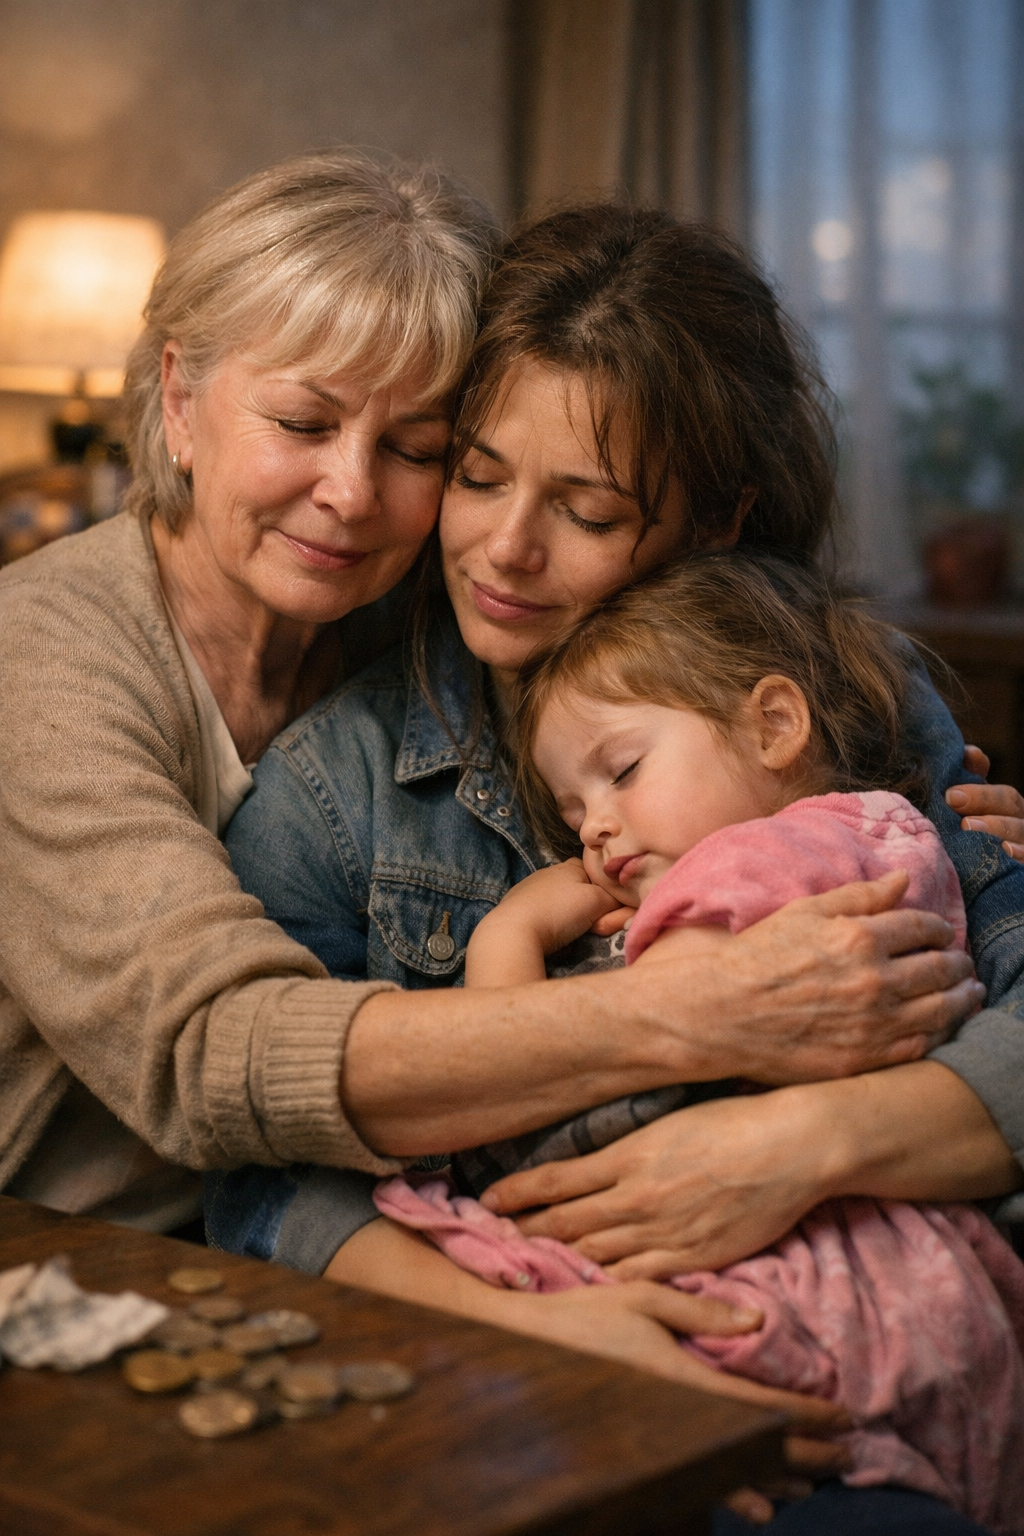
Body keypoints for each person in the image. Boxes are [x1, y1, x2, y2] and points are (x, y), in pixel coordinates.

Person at [0, 160, 972, 1407]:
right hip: (64, 1273)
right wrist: (695, 1011)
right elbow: (220, 1061)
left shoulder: (427, 607)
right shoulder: (62, 663)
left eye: (416, 449)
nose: (353, 495)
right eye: (301, 425)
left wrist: (803, 1136)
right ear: (177, 398)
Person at [217, 207, 1024, 1511]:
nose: (505, 549)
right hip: (522, 1351)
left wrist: (810, 1143)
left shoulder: (853, 711)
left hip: (860, 1341)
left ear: (717, 523)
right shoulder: (339, 786)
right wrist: (552, 1336)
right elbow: (257, 1178)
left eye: (586, 510)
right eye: (477, 477)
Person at [374, 553, 1024, 1533]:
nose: (595, 830)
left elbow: (544, 1108)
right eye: (570, 813)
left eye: (623, 772)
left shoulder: (748, 873)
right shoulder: (881, 836)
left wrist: (508, 934)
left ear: (775, 724)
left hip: (783, 1297)